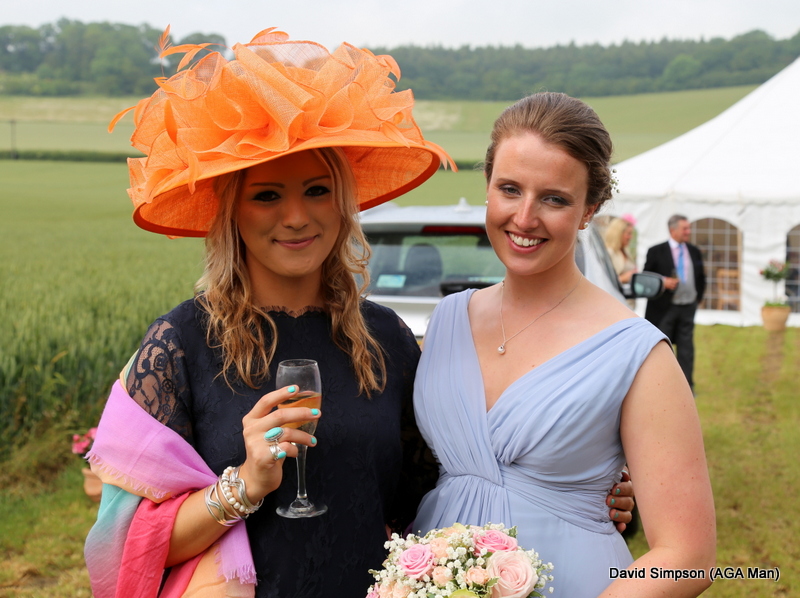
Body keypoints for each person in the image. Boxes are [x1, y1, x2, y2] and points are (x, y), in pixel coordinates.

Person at [84, 30, 636, 598]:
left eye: (318, 190)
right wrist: (245, 485)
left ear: (344, 203)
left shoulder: (386, 341)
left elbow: (437, 493)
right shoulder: (180, 345)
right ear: (232, 213)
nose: (296, 217)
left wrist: (587, 494)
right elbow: (125, 548)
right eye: (267, 195)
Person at [412, 93, 715, 598]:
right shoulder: (446, 322)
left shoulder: (636, 353)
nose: (525, 218)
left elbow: (687, 557)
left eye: (553, 198)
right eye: (509, 189)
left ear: (588, 211)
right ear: (487, 188)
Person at [643, 214, 707, 391]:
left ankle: (687, 387)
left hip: (688, 306)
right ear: (673, 230)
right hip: (664, 308)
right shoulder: (656, 251)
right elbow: (646, 277)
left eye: (688, 228)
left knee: (687, 348)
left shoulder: (694, 251)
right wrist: (663, 281)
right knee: (662, 349)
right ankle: (662, 385)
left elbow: (701, 276)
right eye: (685, 229)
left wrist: (696, 298)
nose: (688, 232)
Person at [603, 216, 638, 308]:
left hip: (627, 301)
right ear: (618, 233)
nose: (631, 237)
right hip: (615, 302)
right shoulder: (609, 253)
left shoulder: (625, 250)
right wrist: (624, 278)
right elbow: (602, 281)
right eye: (628, 234)